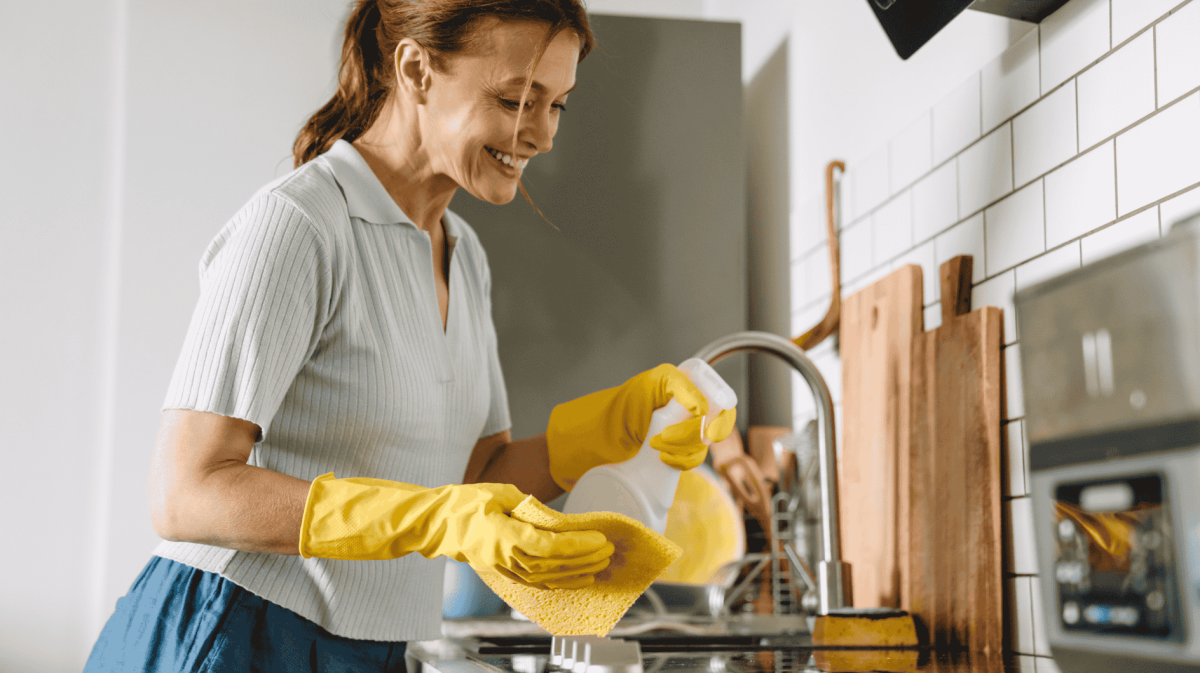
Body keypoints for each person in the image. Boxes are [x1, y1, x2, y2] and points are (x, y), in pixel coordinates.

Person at [83, 1, 736, 671]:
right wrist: (439, 520)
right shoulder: (300, 225)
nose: (541, 135)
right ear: (417, 70)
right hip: (233, 632)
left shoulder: (466, 255)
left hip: (373, 651)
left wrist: (611, 426)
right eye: (517, 98)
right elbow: (186, 490)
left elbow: (476, 478)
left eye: (558, 105)